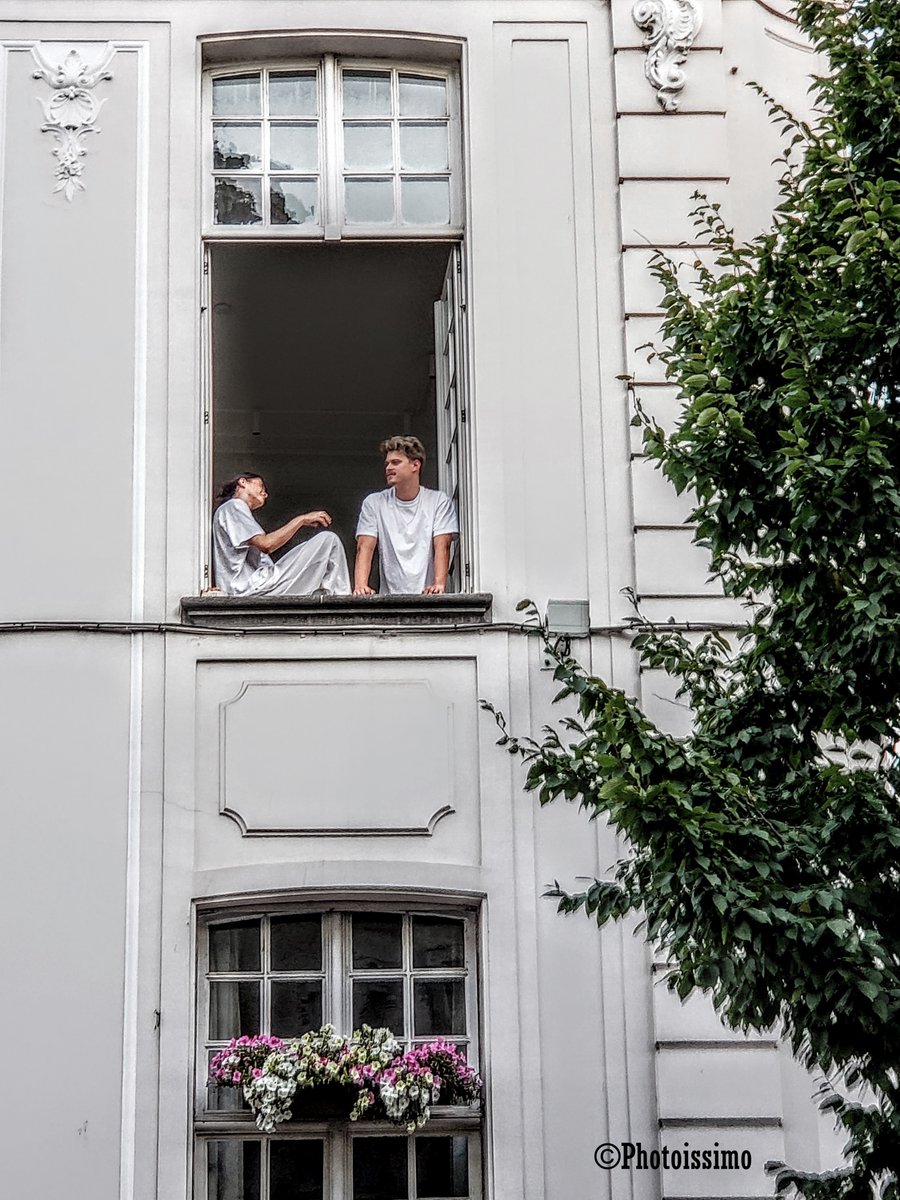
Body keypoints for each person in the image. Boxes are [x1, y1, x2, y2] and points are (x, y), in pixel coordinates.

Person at [213, 473, 350, 596]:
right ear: (243, 482)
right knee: (329, 541)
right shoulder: (233, 506)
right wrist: (301, 520)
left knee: (329, 543)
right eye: (261, 486)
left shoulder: (230, 511)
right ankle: (341, 601)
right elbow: (266, 544)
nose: (265, 494)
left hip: (254, 588)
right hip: (252, 587)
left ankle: (327, 596)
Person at [353, 437, 459, 595]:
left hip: (429, 598)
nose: (388, 467)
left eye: (395, 462)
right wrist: (360, 587)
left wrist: (439, 585)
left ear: (415, 465)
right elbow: (364, 547)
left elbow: (442, 545)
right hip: (389, 601)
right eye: (387, 463)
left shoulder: (438, 501)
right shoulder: (374, 503)